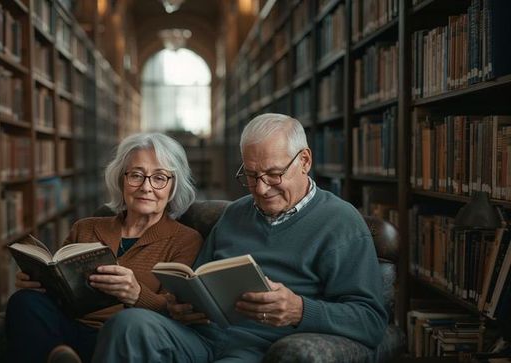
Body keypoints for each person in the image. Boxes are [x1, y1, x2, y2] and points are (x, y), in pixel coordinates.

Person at [91, 113, 388, 362]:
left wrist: (299, 309)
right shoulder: (234, 214)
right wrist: (180, 305)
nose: (260, 189)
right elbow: (198, 281)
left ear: (305, 161)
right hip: (200, 336)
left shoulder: (340, 222)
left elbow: (371, 321)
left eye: (273, 175)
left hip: (259, 348)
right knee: (128, 325)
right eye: (250, 175)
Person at [5, 132, 203, 363]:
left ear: (173, 186)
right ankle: (58, 356)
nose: (146, 187)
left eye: (159, 178)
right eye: (136, 175)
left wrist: (137, 295)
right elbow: (61, 291)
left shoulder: (186, 240)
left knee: (121, 330)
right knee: (24, 301)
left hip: (123, 339)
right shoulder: (85, 228)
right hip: (70, 330)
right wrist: (38, 282)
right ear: (121, 180)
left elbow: (180, 312)